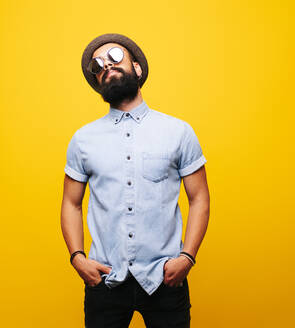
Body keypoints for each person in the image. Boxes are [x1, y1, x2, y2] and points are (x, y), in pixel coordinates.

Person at [61, 33, 210, 328]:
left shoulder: (178, 132)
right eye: (98, 65)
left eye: (115, 57)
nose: (106, 66)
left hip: (166, 279)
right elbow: (70, 203)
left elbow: (199, 198)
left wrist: (187, 258)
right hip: (105, 280)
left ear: (138, 68)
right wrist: (78, 258)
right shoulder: (83, 140)